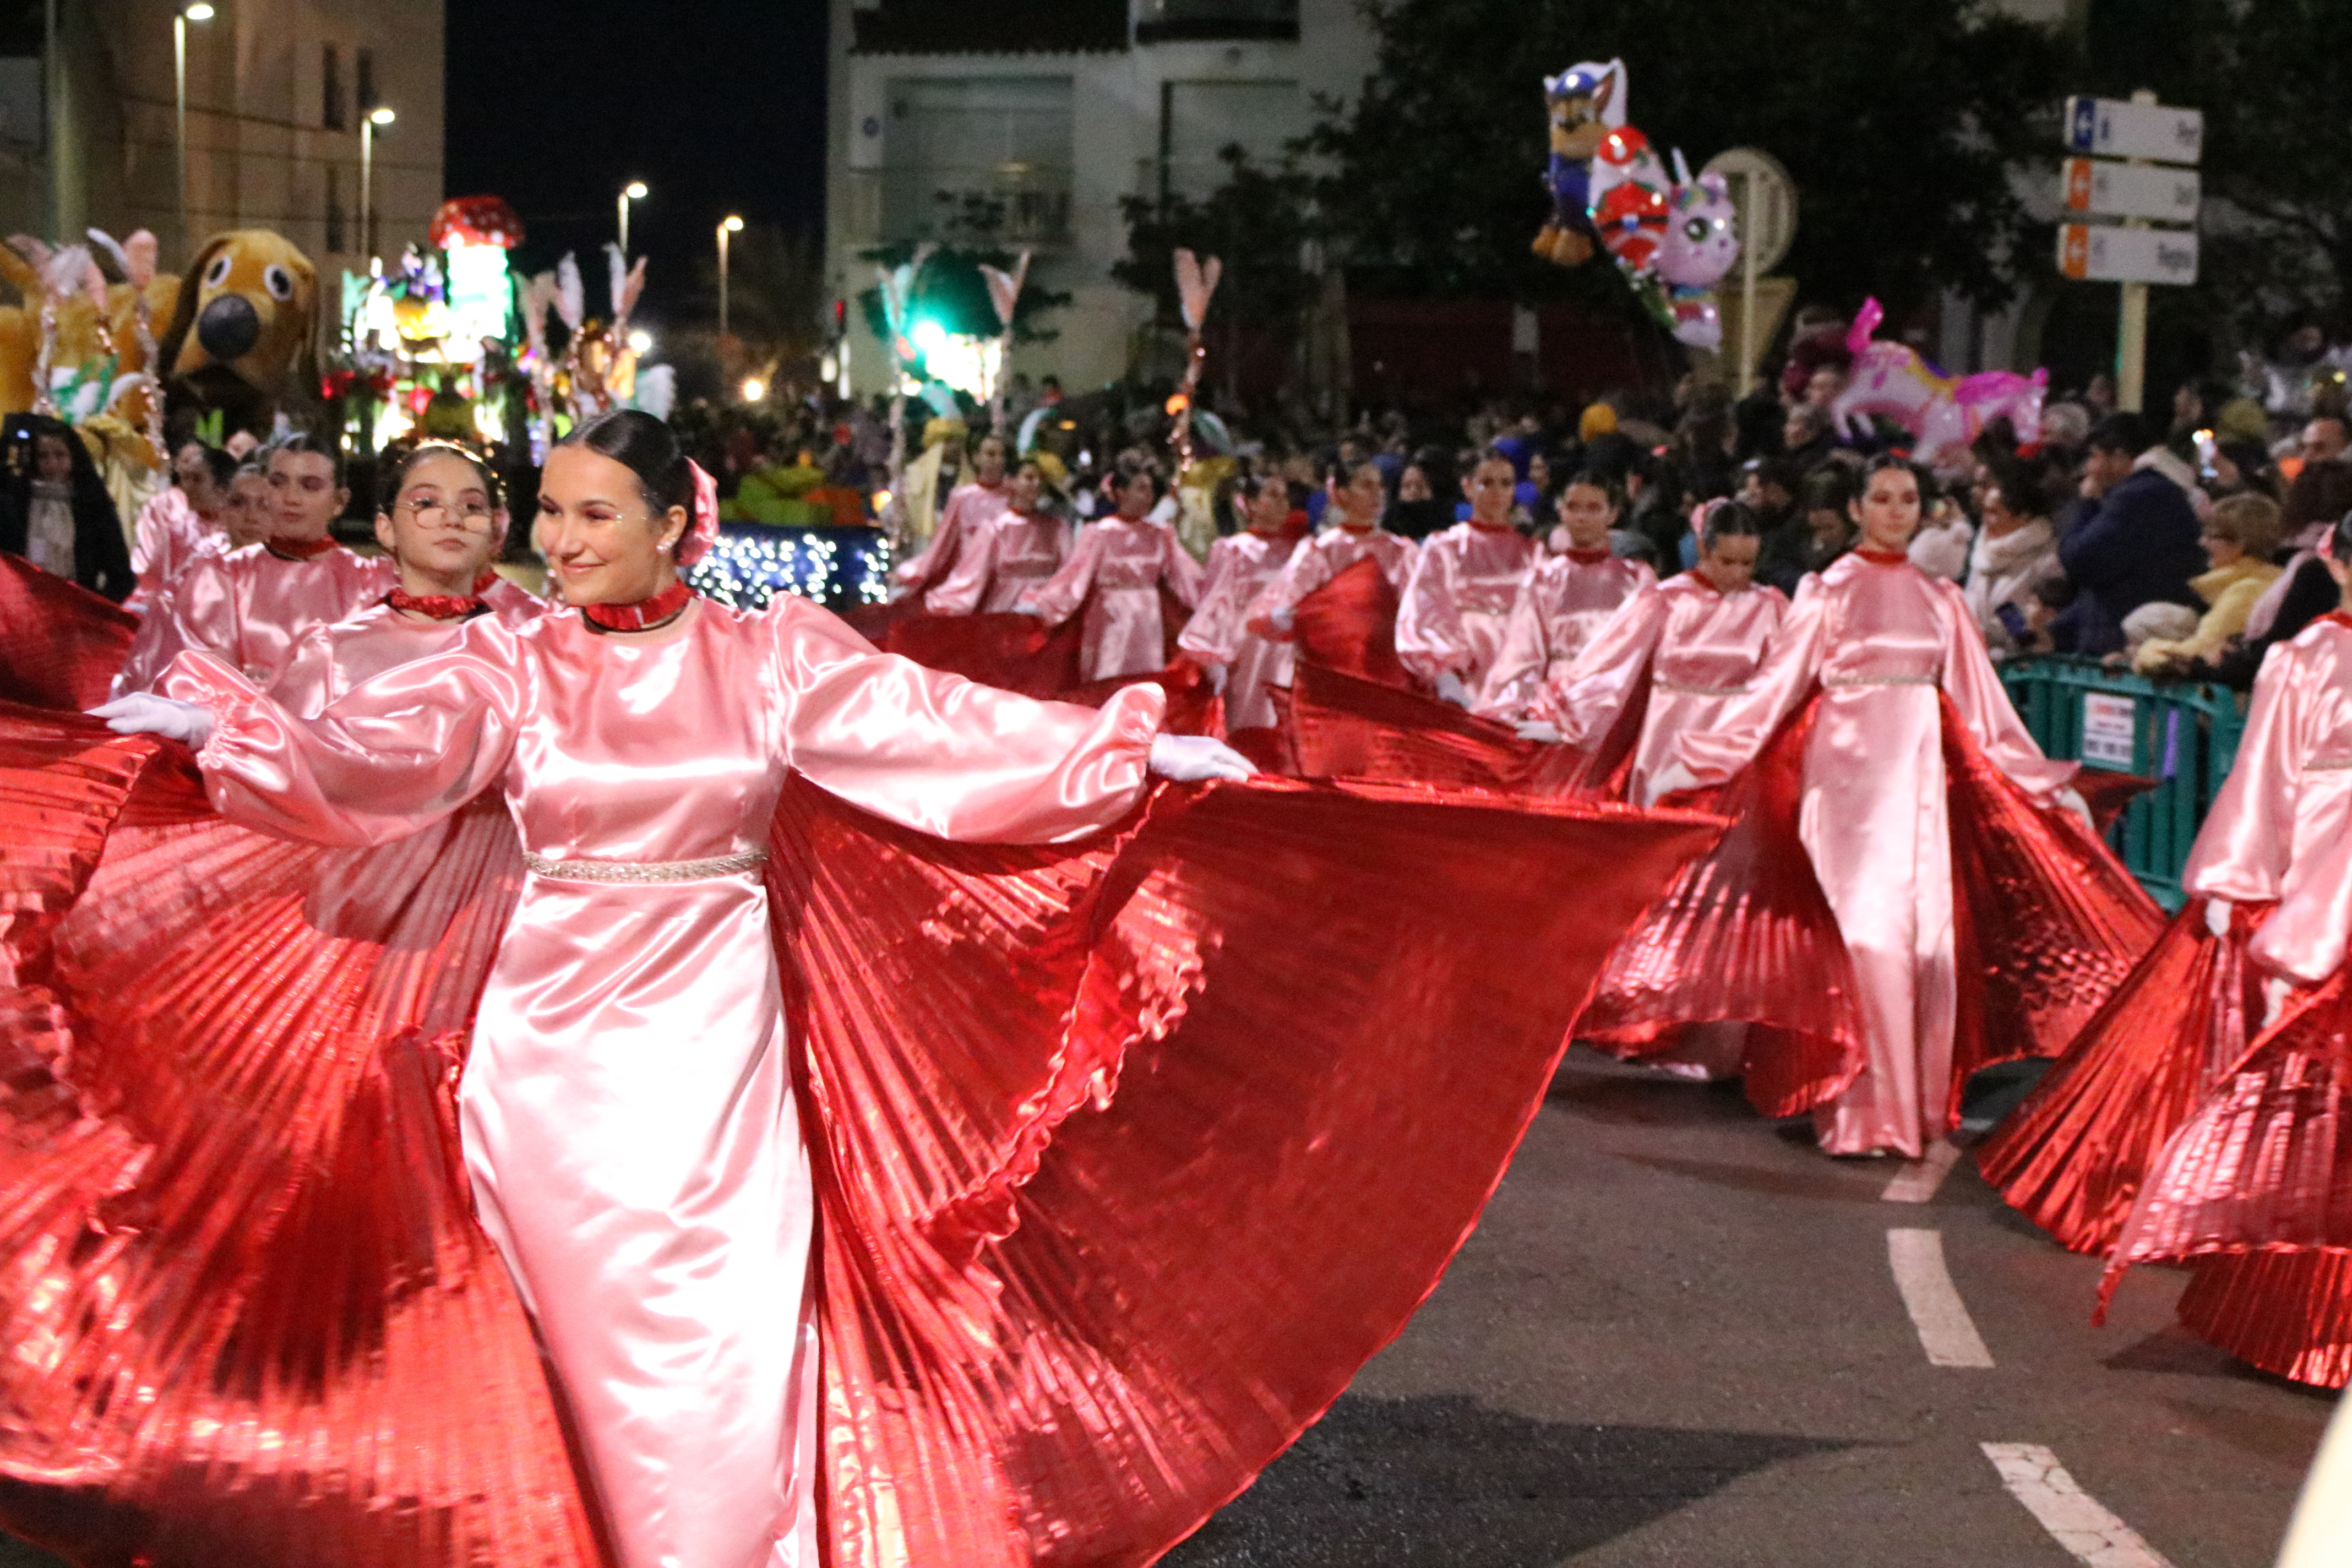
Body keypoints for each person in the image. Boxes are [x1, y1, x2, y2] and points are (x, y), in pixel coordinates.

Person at [50, 407, 1727, 1568]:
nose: (552, 540)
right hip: (545, 1051)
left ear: (670, 526)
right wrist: (251, 739)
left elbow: (952, 744)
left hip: (712, 1038)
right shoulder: (506, 662)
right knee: (563, 1349)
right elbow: (385, 762)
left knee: (719, 1338)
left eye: (584, 512)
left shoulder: (771, 658)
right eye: (543, 511)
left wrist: (1131, 750)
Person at [1654, 455, 2150, 1158]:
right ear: (1856, 508)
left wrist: (2045, 782)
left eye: (1908, 499)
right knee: (1864, 937)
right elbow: (1775, 690)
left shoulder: (1942, 598)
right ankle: (1856, 1109)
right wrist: (1705, 755)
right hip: (1844, 788)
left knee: (1925, 948)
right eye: (1882, 499)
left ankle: (1913, 1107)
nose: (1896, 511)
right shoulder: (1826, 591)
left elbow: (1986, 711)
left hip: (1918, 788)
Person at [1981, 510, 2352, 1256]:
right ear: (2334, 561)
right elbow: (2264, 776)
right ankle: (2260, 1209)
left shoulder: (2306, 655)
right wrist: (2237, 881)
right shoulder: (2306, 655)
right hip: (2315, 868)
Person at [1514, 500, 1860, 1108]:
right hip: (1670, 751)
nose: (1737, 574)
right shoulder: (1663, 601)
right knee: (1665, 888)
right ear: (1705, 550)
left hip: (1738, 758)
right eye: (1727, 560)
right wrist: (1556, 713)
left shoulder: (1770, 607)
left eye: (1748, 563)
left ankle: (1715, 1029)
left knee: (1727, 896)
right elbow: (1605, 666)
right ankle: (1648, 1013)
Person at [112, 432, 394, 695]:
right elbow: (197, 680)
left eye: (310, 486)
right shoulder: (220, 574)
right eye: (278, 482)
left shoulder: (370, 583)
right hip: (232, 737)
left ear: (339, 501)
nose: (291, 498)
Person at [1474, 471, 1656, 721]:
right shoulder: (1542, 579)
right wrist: (1519, 709)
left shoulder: (1637, 578)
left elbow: (1641, 653)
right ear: (1561, 512)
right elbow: (1522, 655)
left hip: (1613, 703)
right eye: (1573, 507)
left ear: (1612, 515)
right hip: (1553, 703)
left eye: (1593, 508)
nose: (1581, 517)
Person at [1018, 451, 1203, 680]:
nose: (1148, 496)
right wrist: (1045, 603)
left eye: (1150, 489)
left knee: (1145, 681)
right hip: (1109, 616)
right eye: (1140, 489)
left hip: (1148, 619)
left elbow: (1187, 576)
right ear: (1121, 492)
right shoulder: (1100, 533)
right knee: (1109, 677)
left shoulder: (1161, 535)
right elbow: (1075, 576)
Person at [1396, 447, 1538, 706]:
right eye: (1486, 483)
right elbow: (1425, 611)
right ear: (1468, 487)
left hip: (1520, 667)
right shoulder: (1445, 547)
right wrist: (1447, 676)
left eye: (1506, 483)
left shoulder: (1532, 551)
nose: (1497, 492)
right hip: (1467, 669)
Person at [2055, 415, 2204, 657]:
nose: (2088, 469)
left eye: (2094, 457)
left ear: (2120, 457)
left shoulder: (2137, 496)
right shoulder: (2162, 490)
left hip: (2122, 643)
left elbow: (2079, 559)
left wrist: (2088, 504)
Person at [1178, 472, 1308, 742]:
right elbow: (1215, 605)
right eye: (1272, 495)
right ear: (1250, 503)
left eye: (1285, 496)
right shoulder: (1234, 549)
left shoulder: (1302, 550)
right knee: (1251, 721)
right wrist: (1215, 659)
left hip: (1292, 648)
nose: (1283, 503)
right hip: (1248, 651)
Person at [1245, 456, 1418, 659]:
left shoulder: (1401, 551)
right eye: (1366, 485)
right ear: (1343, 493)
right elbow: (1286, 598)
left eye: (1380, 486)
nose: (1377, 493)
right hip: (1334, 662)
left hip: (1390, 658)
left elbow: (1419, 608)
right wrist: (1281, 614)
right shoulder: (1321, 550)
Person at [2132, 493, 2282, 675]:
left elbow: (2199, 654)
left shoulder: (2245, 592)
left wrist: (2148, 651)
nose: (2202, 542)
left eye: (2212, 536)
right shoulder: (2267, 582)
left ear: (2239, 543)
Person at [0, 413, 131, 600]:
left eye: (60, 455)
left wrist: (93, 609)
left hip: (74, 615)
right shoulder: (15, 502)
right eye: (43, 456)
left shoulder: (91, 503)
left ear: (73, 456)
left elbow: (120, 575)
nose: (52, 464)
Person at [922, 455, 1069, 617]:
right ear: (1012, 481)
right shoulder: (995, 529)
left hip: (1046, 611)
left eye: (1041, 479)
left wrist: (1049, 600)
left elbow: (1070, 572)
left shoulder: (1058, 527)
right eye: (1029, 478)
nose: (1037, 484)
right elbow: (969, 576)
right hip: (1005, 609)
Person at [890, 429, 1009, 596]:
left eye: (1002, 455)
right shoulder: (962, 497)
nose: (998, 460)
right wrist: (913, 572)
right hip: (965, 574)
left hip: (1003, 580)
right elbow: (943, 542)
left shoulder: (1014, 496)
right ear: (976, 457)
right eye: (991, 454)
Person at [123, 441, 236, 616]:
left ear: (223, 488)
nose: (187, 487)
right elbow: (153, 584)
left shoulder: (242, 530)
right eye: (187, 478)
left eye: (197, 480)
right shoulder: (178, 531)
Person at [1963, 462, 2062, 655]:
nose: (1986, 520)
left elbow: (2037, 628)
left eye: (1994, 512)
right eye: (1985, 511)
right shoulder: (1982, 555)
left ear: (2024, 517)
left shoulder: (2048, 561)